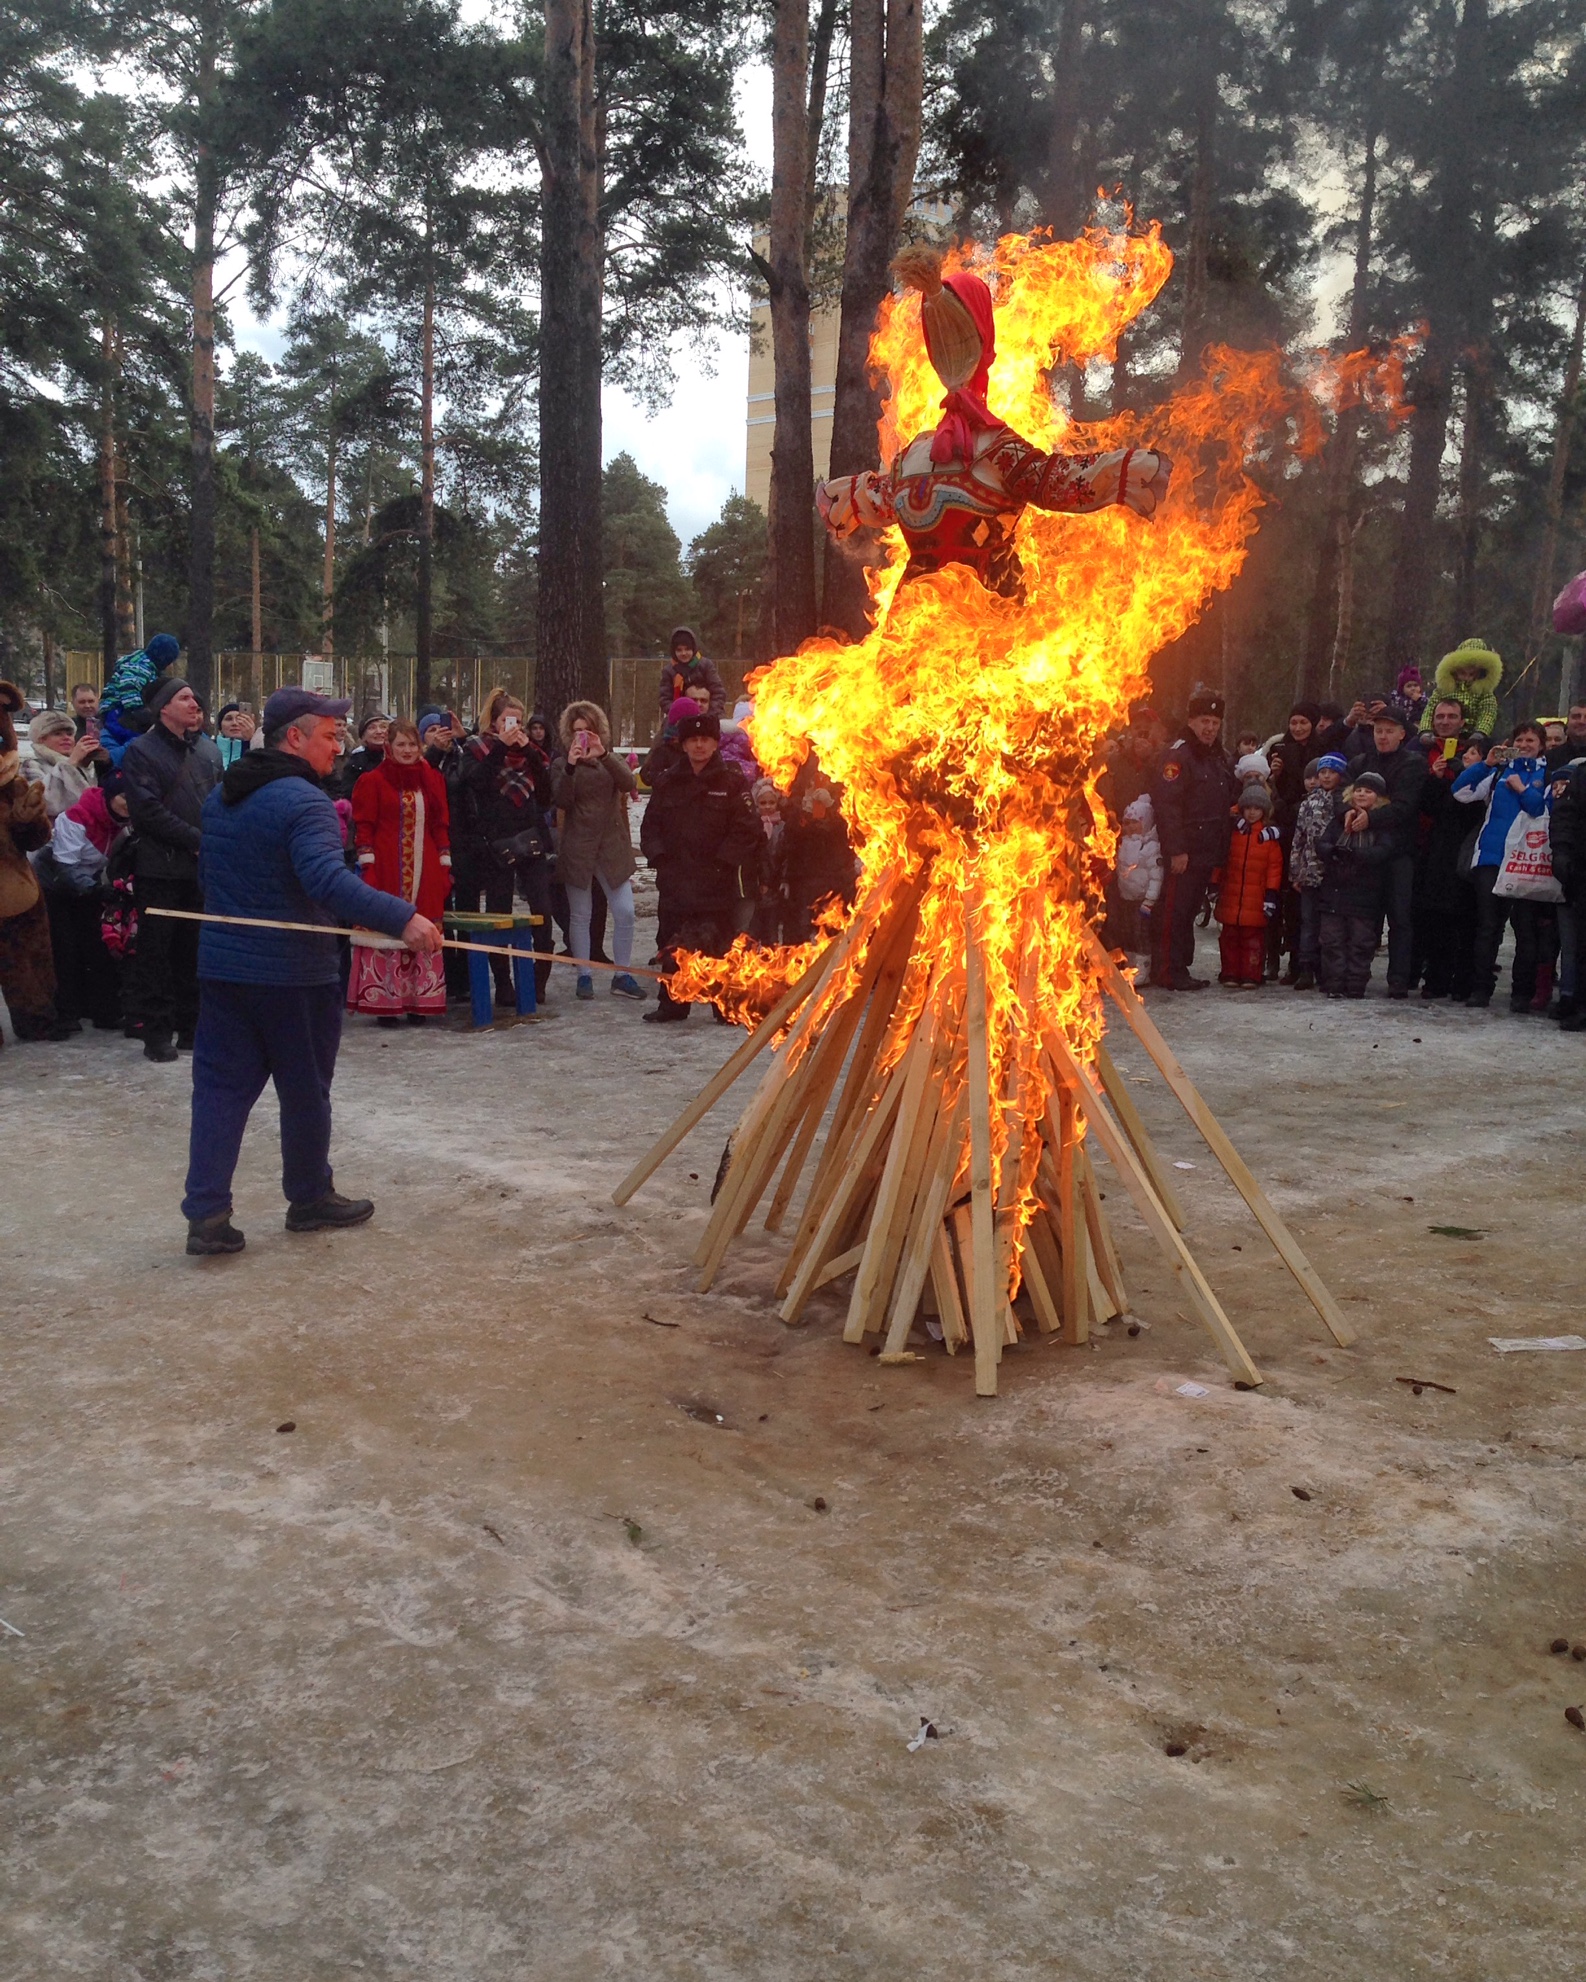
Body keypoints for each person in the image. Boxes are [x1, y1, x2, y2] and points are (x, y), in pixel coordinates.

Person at [180, 687, 443, 1255]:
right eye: (329, 734)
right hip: (292, 975)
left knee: (220, 1091)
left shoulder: (223, 794)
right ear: (294, 737)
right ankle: (308, 1197)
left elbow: (209, 878)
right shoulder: (305, 802)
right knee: (304, 1091)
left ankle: (207, 1213)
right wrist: (404, 918)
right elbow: (327, 880)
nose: (339, 744)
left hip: (224, 967)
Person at [816, 243, 1170, 599]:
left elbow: (877, 495)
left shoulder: (912, 456)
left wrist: (844, 498)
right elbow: (1059, 482)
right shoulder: (1000, 451)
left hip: (915, 630)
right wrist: (1126, 470)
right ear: (985, 346)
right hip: (994, 629)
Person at [639, 704, 762, 1023]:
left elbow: (747, 828)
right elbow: (650, 826)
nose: (699, 745)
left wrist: (724, 862)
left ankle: (724, 1007)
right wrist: (661, 860)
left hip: (715, 880)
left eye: (705, 739)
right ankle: (672, 1004)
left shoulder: (732, 781)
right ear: (682, 744)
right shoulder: (668, 781)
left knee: (718, 944)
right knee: (671, 942)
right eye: (692, 740)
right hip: (676, 880)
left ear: (715, 742)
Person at [121, 678, 222, 1060]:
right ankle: (157, 1033)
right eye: (184, 697)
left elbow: (221, 800)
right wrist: (196, 840)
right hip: (159, 870)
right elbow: (146, 811)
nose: (194, 702)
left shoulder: (208, 750)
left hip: (200, 869)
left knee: (194, 949)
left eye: (194, 695)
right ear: (163, 708)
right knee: (157, 953)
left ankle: (193, 1027)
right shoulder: (141, 752)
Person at [346, 718, 453, 1025]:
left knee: (424, 919)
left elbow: (440, 824)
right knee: (388, 922)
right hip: (386, 865)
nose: (407, 751)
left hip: (427, 866)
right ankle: (386, 1001)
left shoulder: (432, 779)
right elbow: (364, 827)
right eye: (401, 745)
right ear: (389, 748)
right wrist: (368, 864)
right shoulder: (372, 781)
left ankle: (420, 1000)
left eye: (412, 745)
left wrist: (445, 864)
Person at [459, 689, 556, 1004]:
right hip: (496, 840)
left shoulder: (533, 753)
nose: (513, 726)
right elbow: (477, 783)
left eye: (517, 721)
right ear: (495, 721)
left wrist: (528, 752)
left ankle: (538, 982)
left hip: (530, 837)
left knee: (542, 910)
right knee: (498, 912)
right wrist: (500, 748)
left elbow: (545, 796)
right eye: (506, 720)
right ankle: (503, 983)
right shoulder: (479, 748)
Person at [1453, 722, 1553, 1012]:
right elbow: (1460, 791)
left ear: (1541, 745)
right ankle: (1480, 988)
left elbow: (1540, 809)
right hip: (1492, 857)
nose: (1524, 744)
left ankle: (1522, 992)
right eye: (1519, 739)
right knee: (1488, 926)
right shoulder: (1499, 770)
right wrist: (1486, 763)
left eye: (1530, 740)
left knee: (1525, 929)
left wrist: (1522, 789)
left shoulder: (1547, 771)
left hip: (1526, 860)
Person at [552, 701, 645, 1001]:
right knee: (581, 915)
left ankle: (623, 973)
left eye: (588, 730)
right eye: (577, 731)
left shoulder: (610, 758)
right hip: (579, 846)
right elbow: (562, 800)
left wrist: (603, 754)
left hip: (612, 846)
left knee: (626, 912)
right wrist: (570, 765)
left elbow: (629, 782)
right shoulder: (561, 764)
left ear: (599, 731)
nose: (582, 736)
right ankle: (584, 975)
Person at [1149, 688, 1236, 990]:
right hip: (1184, 851)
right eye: (1204, 721)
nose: (1210, 728)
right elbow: (1167, 805)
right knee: (1174, 911)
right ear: (1191, 721)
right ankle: (1167, 970)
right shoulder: (1179, 755)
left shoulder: (1216, 757)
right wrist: (1177, 850)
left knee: (1188, 912)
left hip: (1206, 850)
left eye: (1214, 722)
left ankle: (1181, 968)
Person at [0, 680, 69, 1043]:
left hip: (17, 892)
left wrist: (28, 820)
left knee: (29, 962)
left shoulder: (12, 786)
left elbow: (38, 840)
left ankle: (37, 1019)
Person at [1346, 701, 1425, 999]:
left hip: (1399, 853)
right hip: (1365, 852)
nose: (1382, 736)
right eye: (1378, 731)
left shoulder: (1413, 763)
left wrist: (1371, 817)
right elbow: (1345, 793)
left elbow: (1405, 806)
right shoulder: (1362, 761)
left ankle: (1399, 978)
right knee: (1364, 917)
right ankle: (1356, 977)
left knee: (1400, 918)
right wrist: (1349, 811)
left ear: (1402, 734)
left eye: (1389, 731)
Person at [40, 770, 129, 1030]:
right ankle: (65, 1013)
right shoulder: (76, 818)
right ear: (112, 796)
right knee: (64, 950)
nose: (131, 802)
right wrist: (96, 889)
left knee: (98, 947)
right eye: (125, 796)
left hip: (87, 885)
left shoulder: (124, 822)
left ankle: (104, 1010)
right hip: (56, 885)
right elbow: (65, 867)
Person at [1412, 734, 1480, 1002]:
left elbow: (1471, 808)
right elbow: (1430, 807)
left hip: (1468, 858)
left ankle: (1463, 980)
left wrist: (1466, 775)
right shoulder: (1450, 784)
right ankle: (1436, 978)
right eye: (1466, 754)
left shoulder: (1481, 786)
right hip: (1440, 858)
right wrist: (1436, 778)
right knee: (1436, 920)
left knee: (1465, 924)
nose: (1467, 757)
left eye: (1473, 753)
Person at [1316, 773, 1394, 998]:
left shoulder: (1380, 824)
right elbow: (1322, 843)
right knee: (1332, 940)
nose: (1362, 794)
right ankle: (1334, 983)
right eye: (1359, 789)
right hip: (1335, 891)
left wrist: (1358, 856)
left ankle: (1355, 984)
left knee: (1361, 942)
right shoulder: (1340, 820)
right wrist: (1334, 852)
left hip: (1364, 893)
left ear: (1378, 799)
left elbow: (1384, 850)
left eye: (1369, 791)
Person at [1289, 753, 1347, 990]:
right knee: (1309, 922)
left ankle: (1329, 971)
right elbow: (1299, 839)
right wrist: (1295, 871)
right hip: (1309, 871)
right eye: (1321, 772)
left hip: (1335, 873)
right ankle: (1306, 968)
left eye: (1330, 772)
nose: (1324, 776)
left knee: (1331, 925)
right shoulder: (1308, 802)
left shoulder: (1345, 801)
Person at [1214, 785, 1282, 988]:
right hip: (1231, 896)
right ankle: (1230, 973)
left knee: (1253, 940)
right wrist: (1214, 884)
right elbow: (1221, 860)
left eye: (1257, 808)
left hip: (1256, 898)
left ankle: (1251, 973)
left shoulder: (1269, 839)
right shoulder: (1233, 834)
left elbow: (1274, 869)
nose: (1252, 812)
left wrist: (1271, 895)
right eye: (1248, 808)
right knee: (1229, 938)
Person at [98, 633, 181, 762]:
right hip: (116, 708)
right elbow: (129, 685)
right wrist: (138, 709)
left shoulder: (150, 668)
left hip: (124, 709)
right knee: (134, 738)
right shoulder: (140, 667)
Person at [24, 708, 101, 817]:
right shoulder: (31, 766)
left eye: (69, 734)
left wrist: (105, 764)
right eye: (57, 734)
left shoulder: (83, 763)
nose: (66, 738)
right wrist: (70, 765)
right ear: (41, 739)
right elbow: (45, 802)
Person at [1421, 637, 1503, 739]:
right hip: (1440, 733)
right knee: (1415, 746)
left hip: (1471, 735)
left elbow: (1487, 713)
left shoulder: (1484, 693)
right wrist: (1425, 730)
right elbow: (1429, 709)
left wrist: (1481, 732)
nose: (1467, 677)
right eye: (1462, 673)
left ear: (1481, 672)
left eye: (1472, 674)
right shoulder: (1443, 689)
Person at [1114, 791, 1162, 956]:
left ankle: (1143, 965)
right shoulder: (1123, 844)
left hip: (1142, 901)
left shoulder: (1150, 847)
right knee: (1127, 933)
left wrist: (1150, 900)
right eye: (1126, 823)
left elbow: (1156, 876)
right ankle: (1130, 963)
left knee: (1141, 934)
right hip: (1126, 898)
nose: (1130, 827)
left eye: (1135, 822)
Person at [657, 628, 726, 723]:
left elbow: (719, 693)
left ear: (693, 648)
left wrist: (708, 714)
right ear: (674, 651)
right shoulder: (669, 671)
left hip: (710, 716)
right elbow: (665, 699)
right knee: (663, 735)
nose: (684, 653)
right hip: (680, 719)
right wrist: (680, 713)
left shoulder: (706, 665)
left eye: (687, 649)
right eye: (679, 650)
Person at [215, 703, 257, 769]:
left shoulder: (257, 749)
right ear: (220, 726)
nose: (234, 723)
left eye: (239, 719)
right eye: (229, 719)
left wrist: (250, 741)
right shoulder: (209, 748)